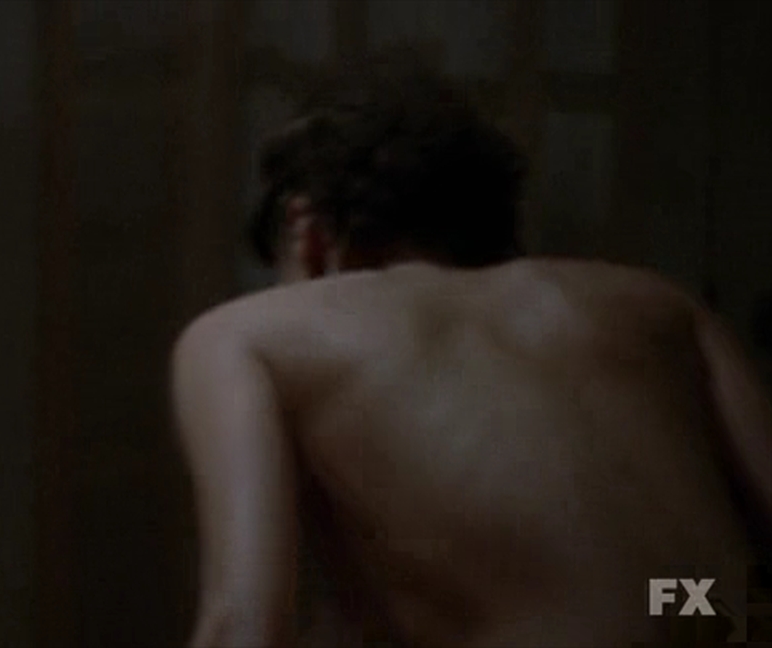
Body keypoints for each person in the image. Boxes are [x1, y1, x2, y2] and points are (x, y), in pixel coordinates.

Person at [170, 63, 771, 647]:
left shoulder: (249, 334)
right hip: (726, 623)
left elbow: (247, 628)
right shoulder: (658, 304)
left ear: (308, 232)